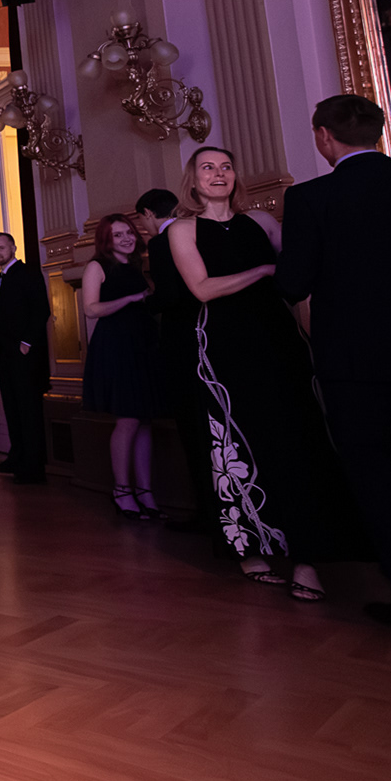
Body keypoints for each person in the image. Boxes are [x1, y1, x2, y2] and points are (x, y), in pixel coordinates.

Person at [276, 95, 391, 632]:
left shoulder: (312, 197)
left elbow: (293, 283)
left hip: (354, 360)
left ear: (323, 136)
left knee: (373, 476)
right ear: (378, 133)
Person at [168, 145, 366, 600]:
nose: (219, 174)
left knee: (297, 439)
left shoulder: (262, 222)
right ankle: (247, 548)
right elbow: (202, 288)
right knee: (236, 444)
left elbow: (298, 280)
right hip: (220, 348)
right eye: (208, 168)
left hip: (276, 338)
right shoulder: (182, 229)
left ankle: (308, 559)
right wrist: (260, 269)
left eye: (226, 167)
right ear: (193, 180)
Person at [135, 188, 216, 535]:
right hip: (212, 336)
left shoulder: (161, 243)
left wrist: (145, 304)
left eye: (141, 220)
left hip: (183, 343)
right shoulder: (201, 232)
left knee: (192, 428)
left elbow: (171, 296)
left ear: (148, 213)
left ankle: (207, 512)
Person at [81, 213, 161, 520]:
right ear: (106, 239)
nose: (127, 238)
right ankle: (122, 490)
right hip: (116, 346)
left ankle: (145, 492)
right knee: (128, 419)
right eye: (118, 234)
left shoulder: (138, 264)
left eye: (129, 232)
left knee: (144, 420)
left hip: (143, 343)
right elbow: (91, 309)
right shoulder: (96, 266)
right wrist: (129, 299)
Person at [0, 233, 51, 483]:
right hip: (6, 353)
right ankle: (16, 458)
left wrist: (26, 343)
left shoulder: (27, 273)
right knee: (12, 407)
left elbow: (41, 310)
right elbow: (12, 314)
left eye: (1, 248)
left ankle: (32, 467)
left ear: (13, 248)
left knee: (28, 409)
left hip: (24, 355)